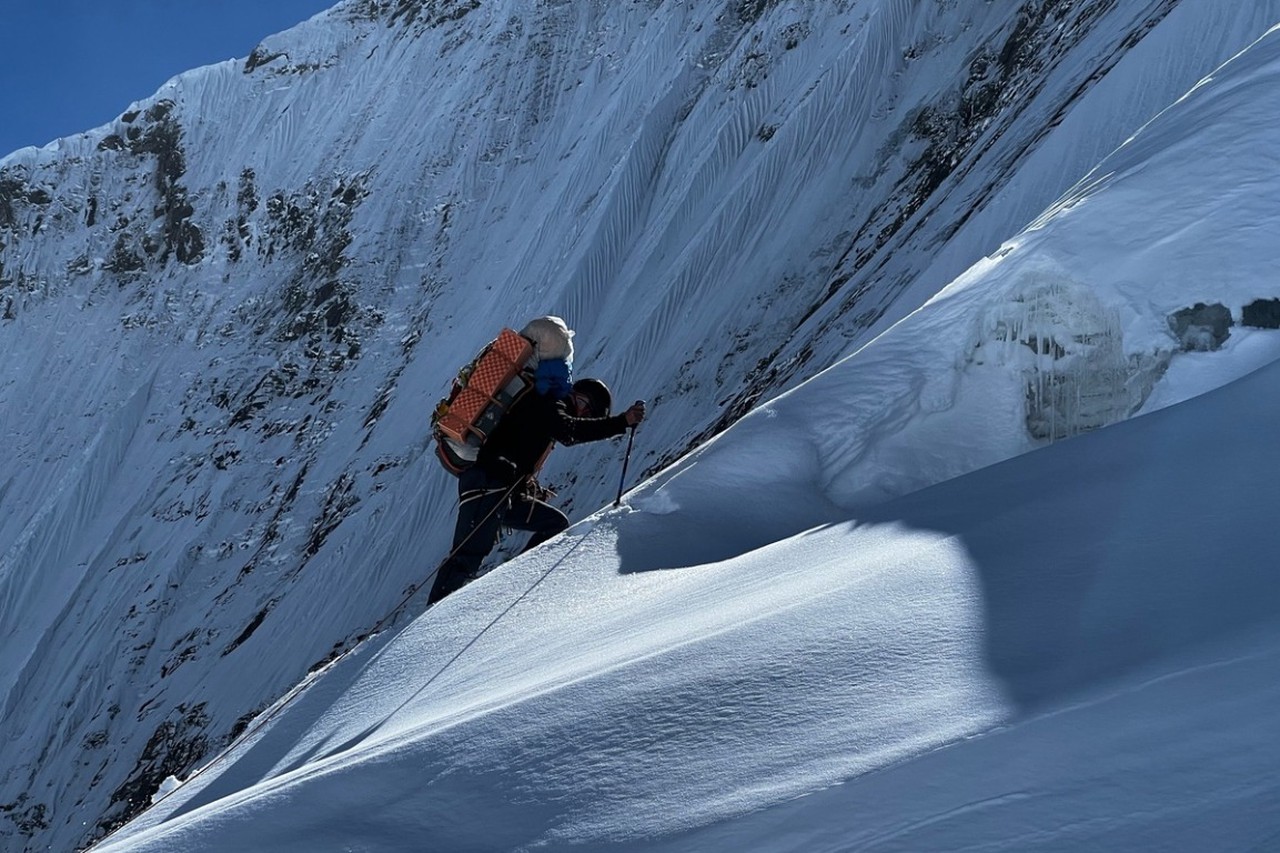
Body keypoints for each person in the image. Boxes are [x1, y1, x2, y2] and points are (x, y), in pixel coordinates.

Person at [427, 330, 646, 606]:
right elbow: (569, 432)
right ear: (580, 398)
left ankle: (514, 584)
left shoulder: (547, 402)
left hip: (499, 487)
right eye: (587, 409)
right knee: (467, 554)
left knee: (554, 525)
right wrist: (621, 422)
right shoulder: (549, 401)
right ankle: (430, 620)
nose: (583, 414)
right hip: (490, 481)